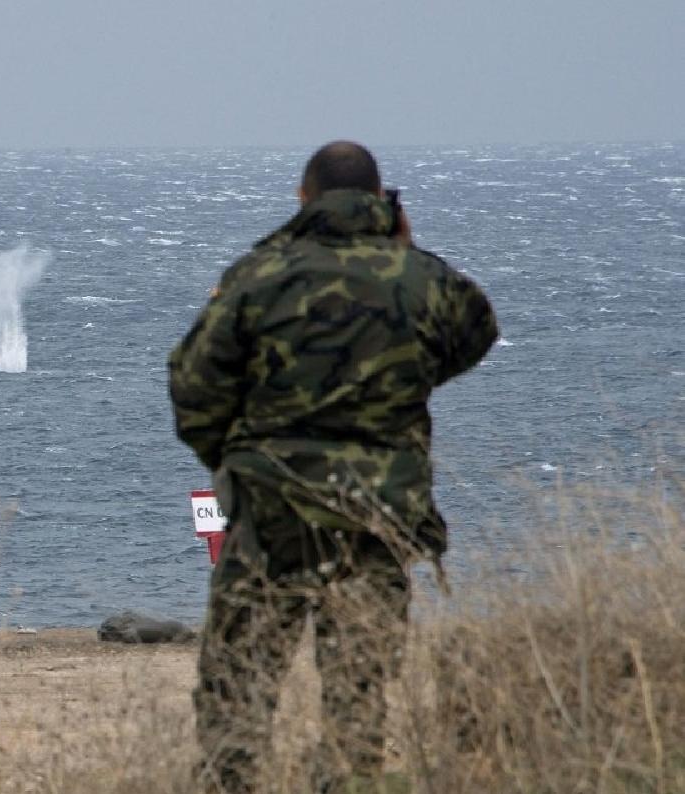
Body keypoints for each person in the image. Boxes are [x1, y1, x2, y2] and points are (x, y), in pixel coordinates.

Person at [168, 141, 497, 792]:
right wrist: (403, 364)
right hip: (378, 522)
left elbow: (193, 387)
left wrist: (237, 461)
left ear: (303, 199)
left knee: (238, 694)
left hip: (270, 518)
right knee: (357, 703)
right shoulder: (420, 279)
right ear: (383, 203)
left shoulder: (256, 276)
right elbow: (475, 331)